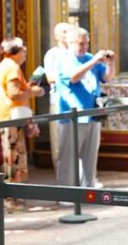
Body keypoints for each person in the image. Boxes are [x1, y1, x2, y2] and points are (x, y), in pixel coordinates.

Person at [55, 27, 114, 190]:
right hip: (71, 116)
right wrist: (94, 61)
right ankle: (66, 191)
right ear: (71, 43)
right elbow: (73, 77)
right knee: (69, 156)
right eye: (81, 43)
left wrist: (110, 63)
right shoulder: (65, 60)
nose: (84, 47)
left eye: (86, 43)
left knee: (90, 155)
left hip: (93, 114)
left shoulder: (89, 58)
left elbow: (106, 77)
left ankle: (89, 186)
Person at [0, 37, 44, 211]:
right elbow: (14, 94)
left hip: (7, 117)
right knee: (14, 159)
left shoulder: (5, 66)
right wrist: (33, 92)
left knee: (13, 158)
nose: (25, 53)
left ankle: (13, 199)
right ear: (15, 52)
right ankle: (11, 200)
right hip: (10, 119)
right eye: (23, 49)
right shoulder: (12, 68)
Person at [43, 22, 72, 167]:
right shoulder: (52, 54)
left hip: (77, 102)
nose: (68, 34)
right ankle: (61, 178)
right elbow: (50, 77)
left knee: (76, 140)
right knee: (59, 140)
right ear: (56, 36)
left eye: (69, 31)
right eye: (64, 31)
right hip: (59, 101)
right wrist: (71, 77)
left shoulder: (76, 52)